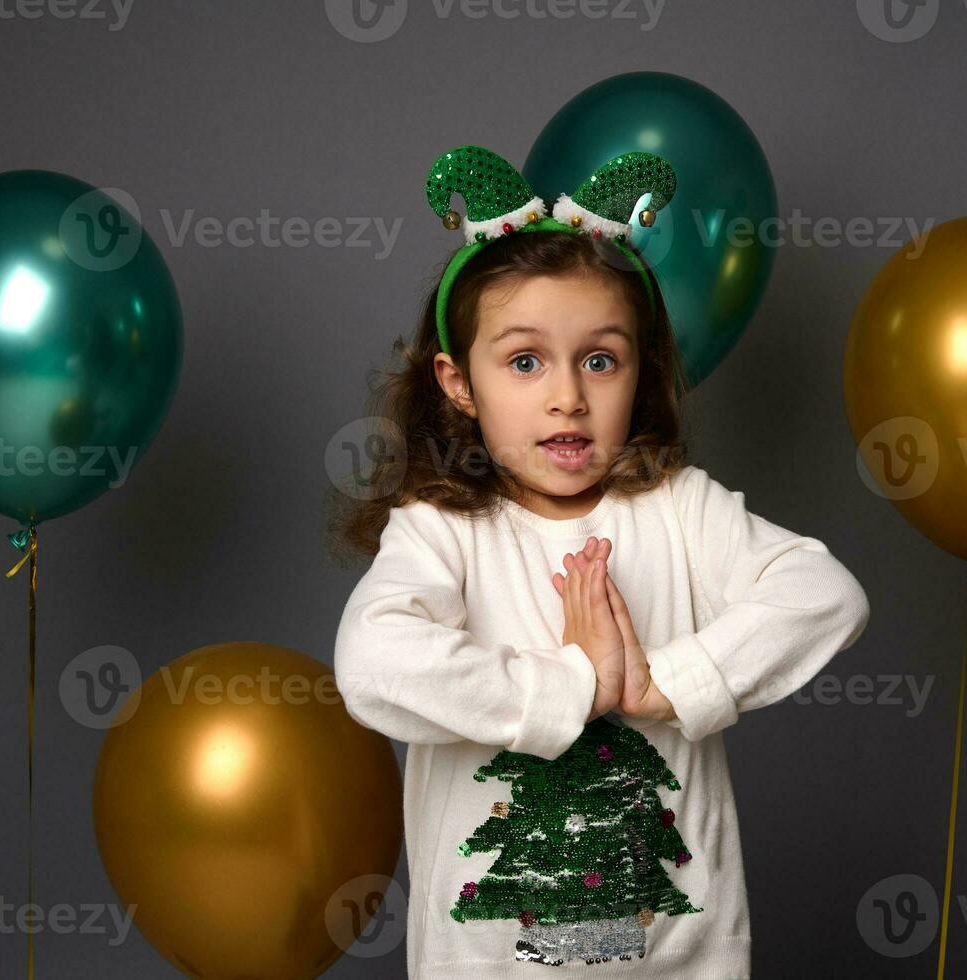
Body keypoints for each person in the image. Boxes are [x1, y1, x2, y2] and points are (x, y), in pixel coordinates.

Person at [330, 146, 869, 978]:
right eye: (523, 361)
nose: (566, 395)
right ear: (458, 381)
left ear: (639, 372)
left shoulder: (679, 507)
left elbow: (826, 595)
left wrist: (671, 683)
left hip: (680, 963)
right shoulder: (442, 530)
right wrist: (574, 686)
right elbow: (372, 663)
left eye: (600, 359)